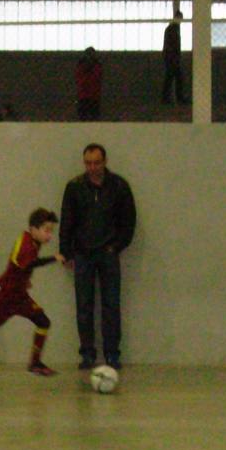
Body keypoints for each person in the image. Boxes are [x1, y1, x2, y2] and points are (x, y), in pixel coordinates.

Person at [59, 143, 136, 370]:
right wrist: (66, 251)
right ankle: (88, 354)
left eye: (96, 162)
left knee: (111, 305)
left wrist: (117, 246)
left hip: (108, 254)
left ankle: (112, 353)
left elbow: (129, 221)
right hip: (82, 254)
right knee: (84, 306)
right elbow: (67, 221)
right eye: (88, 163)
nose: (92, 167)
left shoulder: (119, 186)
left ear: (105, 162)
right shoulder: (74, 187)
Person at [0, 208, 64, 377]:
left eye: (51, 231)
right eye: (46, 230)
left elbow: (20, 268)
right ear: (33, 228)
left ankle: (35, 363)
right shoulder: (26, 242)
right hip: (2, 295)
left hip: (19, 296)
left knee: (43, 321)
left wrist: (23, 280)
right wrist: (54, 258)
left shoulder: (34, 243)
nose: (49, 235)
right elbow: (28, 264)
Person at [162, 9, 188, 105]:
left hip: (170, 57)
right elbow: (173, 45)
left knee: (171, 77)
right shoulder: (173, 29)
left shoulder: (171, 28)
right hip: (172, 57)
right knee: (177, 77)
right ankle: (178, 98)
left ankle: (167, 98)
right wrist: (175, 57)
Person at [75, 47, 103, 121]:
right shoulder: (97, 65)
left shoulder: (81, 66)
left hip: (89, 96)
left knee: (88, 118)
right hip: (88, 96)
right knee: (89, 118)